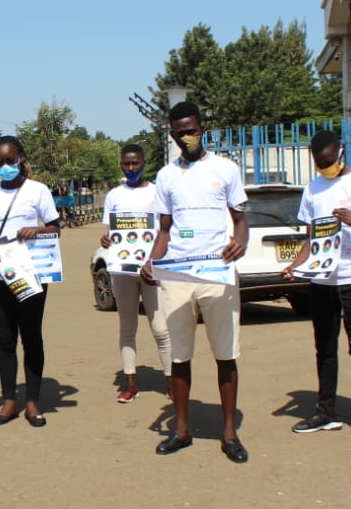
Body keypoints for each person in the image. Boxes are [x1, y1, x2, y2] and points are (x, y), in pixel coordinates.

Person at [141, 101, 250, 463]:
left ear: (202, 129)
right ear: (171, 134)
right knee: (179, 356)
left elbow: (240, 220)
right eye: (179, 131)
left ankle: (229, 432)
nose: (186, 136)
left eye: (191, 129)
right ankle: (182, 429)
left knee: (225, 354)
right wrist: (151, 260)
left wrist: (241, 242)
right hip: (178, 275)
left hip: (217, 274)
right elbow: (165, 230)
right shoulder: (166, 176)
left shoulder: (225, 169)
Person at [281, 130, 351, 444]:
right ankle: (325, 411)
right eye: (319, 163)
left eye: (330, 161)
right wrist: (296, 266)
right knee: (324, 346)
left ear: (341, 152)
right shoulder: (312, 189)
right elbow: (311, 240)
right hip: (321, 279)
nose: (325, 167)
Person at [0, 136, 61, 427]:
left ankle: (33, 401)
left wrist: (37, 230)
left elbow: (55, 229)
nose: (5, 166)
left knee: (32, 337)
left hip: (31, 274)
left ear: (21, 158)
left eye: (10, 160)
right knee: (5, 340)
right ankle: (9, 399)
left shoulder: (38, 191)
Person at [100, 143, 171, 403]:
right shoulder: (114, 196)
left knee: (160, 328)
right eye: (126, 164)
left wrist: (154, 259)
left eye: (135, 163)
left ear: (144, 163)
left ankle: (171, 381)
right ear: (121, 164)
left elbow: (165, 229)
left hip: (152, 270)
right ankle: (131, 383)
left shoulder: (157, 193)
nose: (131, 168)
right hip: (122, 272)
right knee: (127, 326)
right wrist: (106, 240)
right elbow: (111, 233)